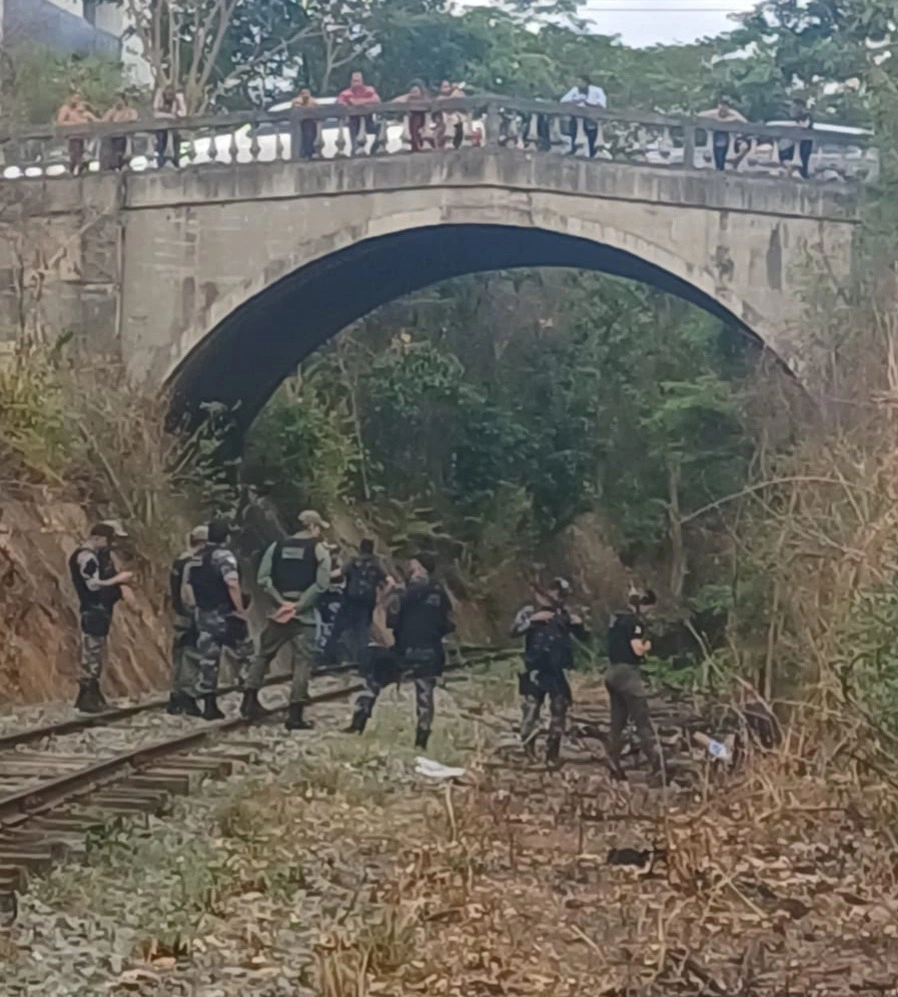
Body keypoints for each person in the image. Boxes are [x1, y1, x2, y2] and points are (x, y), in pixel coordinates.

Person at [345, 553, 453, 749]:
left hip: (405, 649)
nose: (410, 570)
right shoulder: (440, 592)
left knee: (374, 680)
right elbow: (446, 623)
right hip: (430, 651)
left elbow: (391, 619)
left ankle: (358, 722)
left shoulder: (406, 593)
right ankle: (421, 739)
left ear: (420, 568)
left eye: (412, 566)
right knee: (424, 695)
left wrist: (388, 595)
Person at [240, 510, 332, 730]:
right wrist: (298, 606)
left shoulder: (276, 547)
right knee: (302, 662)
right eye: (319, 527)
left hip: (279, 613)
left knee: (263, 655)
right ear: (311, 527)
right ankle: (295, 715)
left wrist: (281, 602)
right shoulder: (319, 549)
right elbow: (322, 584)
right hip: (304, 615)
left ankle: (248, 700)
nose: (319, 532)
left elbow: (263, 578)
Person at [511, 578, 587, 768]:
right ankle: (528, 750)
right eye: (557, 593)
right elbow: (513, 631)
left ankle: (552, 753)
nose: (559, 598)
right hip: (535, 670)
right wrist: (531, 622)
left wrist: (579, 624)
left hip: (556, 672)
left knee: (559, 712)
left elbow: (584, 636)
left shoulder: (564, 614)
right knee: (531, 711)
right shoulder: (530, 611)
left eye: (563, 595)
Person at [185, 519, 254, 721]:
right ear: (226, 537)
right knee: (246, 656)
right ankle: (249, 700)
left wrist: (196, 607)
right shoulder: (224, 557)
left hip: (204, 615)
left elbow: (188, 589)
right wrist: (240, 610)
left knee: (208, 660)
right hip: (227, 615)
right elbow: (232, 583)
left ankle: (209, 704)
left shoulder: (196, 559)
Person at [69, 522, 134, 712]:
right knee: (92, 652)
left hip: (100, 610)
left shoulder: (98, 556)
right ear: (98, 538)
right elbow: (93, 585)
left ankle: (93, 695)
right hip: (93, 609)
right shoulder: (86, 557)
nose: (110, 544)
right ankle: (87, 696)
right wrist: (118, 580)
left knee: (97, 652)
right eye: (109, 539)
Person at [605, 589, 662, 781]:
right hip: (628, 673)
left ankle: (613, 763)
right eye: (648, 608)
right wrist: (648, 646)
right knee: (642, 720)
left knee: (617, 723)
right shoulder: (634, 623)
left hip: (612, 672)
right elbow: (637, 649)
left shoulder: (616, 621)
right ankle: (656, 764)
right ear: (643, 605)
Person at [166, 524, 207, 717]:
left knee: (179, 655)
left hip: (178, 615)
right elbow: (188, 591)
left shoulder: (179, 561)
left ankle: (175, 696)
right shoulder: (194, 562)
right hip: (191, 615)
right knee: (192, 655)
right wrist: (195, 610)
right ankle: (188, 697)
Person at [328, 539, 387, 668]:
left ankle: (329, 658)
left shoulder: (353, 561)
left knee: (338, 628)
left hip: (350, 601)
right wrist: (382, 599)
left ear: (360, 548)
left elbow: (337, 573)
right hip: (367, 603)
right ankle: (363, 661)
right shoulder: (376, 563)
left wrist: (322, 575)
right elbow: (389, 581)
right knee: (363, 632)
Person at [560, 75, 607, 158]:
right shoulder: (575, 90)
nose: (577, 84)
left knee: (592, 137)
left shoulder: (597, 90)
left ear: (585, 82)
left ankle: (593, 154)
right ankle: (574, 150)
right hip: (578, 118)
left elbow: (601, 105)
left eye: (579, 82)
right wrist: (576, 101)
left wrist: (587, 103)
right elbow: (563, 101)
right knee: (574, 132)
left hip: (592, 118)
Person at [337, 71, 381, 154]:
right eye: (354, 81)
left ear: (362, 81)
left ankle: (374, 149)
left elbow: (377, 99)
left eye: (358, 81)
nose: (356, 83)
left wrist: (356, 101)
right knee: (352, 126)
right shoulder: (345, 93)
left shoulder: (369, 90)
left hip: (368, 120)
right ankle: (355, 149)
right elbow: (340, 103)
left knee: (381, 127)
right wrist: (365, 102)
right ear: (351, 82)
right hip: (354, 122)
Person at [699, 97, 747, 172]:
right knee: (716, 158)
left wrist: (731, 117)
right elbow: (699, 115)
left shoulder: (732, 113)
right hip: (715, 137)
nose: (722, 111)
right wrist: (714, 118)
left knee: (723, 158)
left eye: (724, 108)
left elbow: (744, 122)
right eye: (721, 108)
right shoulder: (714, 113)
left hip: (727, 137)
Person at [56, 91, 97, 176]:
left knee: (83, 154)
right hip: (72, 136)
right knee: (74, 154)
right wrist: (74, 124)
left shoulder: (81, 110)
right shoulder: (66, 108)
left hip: (83, 135)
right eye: (74, 98)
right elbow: (60, 122)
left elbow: (93, 119)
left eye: (78, 99)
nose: (76, 101)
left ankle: (81, 170)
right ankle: (73, 171)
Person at [100, 92, 138, 171]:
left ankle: (122, 165)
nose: (117, 102)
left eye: (118, 100)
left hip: (124, 137)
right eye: (115, 100)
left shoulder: (130, 111)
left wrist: (124, 116)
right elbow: (103, 122)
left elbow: (133, 119)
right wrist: (113, 113)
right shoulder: (112, 111)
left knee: (120, 153)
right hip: (111, 137)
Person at [779, 98, 814, 180]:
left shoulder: (807, 116)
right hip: (794, 143)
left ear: (800, 107)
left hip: (805, 142)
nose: (792, 110)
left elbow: (805, 126)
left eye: (794, 108)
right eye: (792, 108)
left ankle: (803, 174)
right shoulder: (791, 119)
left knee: (804, 158)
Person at [153, 84, 187, 168]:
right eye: (167, 94)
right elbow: (155, 112)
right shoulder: (161, 100)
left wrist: (180, 99)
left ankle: (176, 164)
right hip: (161, 130)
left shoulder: (176, 99)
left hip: (174, 130)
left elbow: (183, 113)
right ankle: (161, 166)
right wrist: (158, 94)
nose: (169, 96)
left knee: (175, 149)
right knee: (161, 148)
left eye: (171, 94)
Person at [394, 80, 430, 152]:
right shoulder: (407, 101)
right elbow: (395, 102)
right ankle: (411, 142)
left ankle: (420, 142)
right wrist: (407, 96)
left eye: (416, 92)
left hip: (421, 125)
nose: (414, 94)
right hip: (410, 125)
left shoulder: (425, 102)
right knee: (408, 117)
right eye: (412, 92)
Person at [433, 80, 466, 150]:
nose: (447, 88)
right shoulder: (439, 98)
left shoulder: (456, 94)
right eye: (444, 87)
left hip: (456, 121)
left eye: (448, 86)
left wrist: (456, 90)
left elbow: (463, 100)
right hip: (442, 122)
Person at [292, 87, 319, 160]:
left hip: (312, 121)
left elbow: (316, 105)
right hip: (302, 122)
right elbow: (296, 105)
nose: (306, 95)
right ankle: (306, 152)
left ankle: (310, 151)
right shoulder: (297, 100)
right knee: (306, 137)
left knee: (312, 136)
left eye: (307, 93)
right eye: (304, 93)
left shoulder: (312, 100)